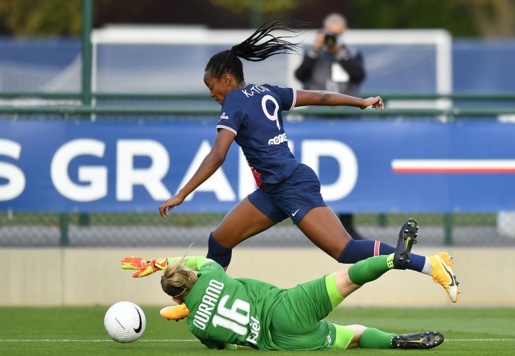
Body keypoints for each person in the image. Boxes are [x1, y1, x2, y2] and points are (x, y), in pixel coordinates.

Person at [157, 19, 457, 304]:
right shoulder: (268, 91)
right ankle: (207, 303)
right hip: (273, 190)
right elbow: (322, 96)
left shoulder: (234, 100)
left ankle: (431, 265)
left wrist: (182, 193)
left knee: (346, 250)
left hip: (291, 185)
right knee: (219, 241)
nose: (212, 93)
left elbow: (217, 155)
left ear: (227, 79)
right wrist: (360, 102)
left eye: (212, 87)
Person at [121, 221, 449, 351]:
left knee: (355, 337)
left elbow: (222, 345)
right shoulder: (211, 272)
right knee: (349, 279)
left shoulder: (195, 324)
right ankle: (396, 260)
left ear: (178, 296)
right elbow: (194, 263)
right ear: (187, 274)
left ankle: (394, 342)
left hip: (283, 342)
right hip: (285, 308)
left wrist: (188, 310)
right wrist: (159, 263)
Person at [294, 13, 366, 239]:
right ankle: (312, 222)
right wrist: (315, 50)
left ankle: (347, 223)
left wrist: (339, 52)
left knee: (347, 171)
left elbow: (359, 75)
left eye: (335, 33)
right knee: (314, 170)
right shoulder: (314, 53)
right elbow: (300, 75)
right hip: (318, 120)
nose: (331, 38)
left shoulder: (352, 53)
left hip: (347, 121)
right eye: (328, 33)